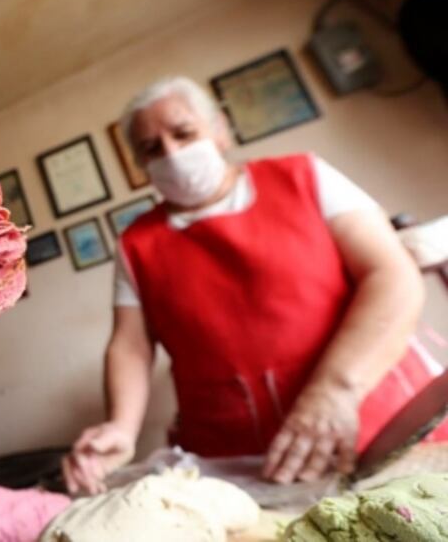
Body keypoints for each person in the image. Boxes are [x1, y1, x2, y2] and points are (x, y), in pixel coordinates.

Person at [63, 76, 447, 494]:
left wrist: (336, 391)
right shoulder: (135, 244)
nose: (171, 153)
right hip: (238, 466)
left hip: (379, 423)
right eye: (151, 149)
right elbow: (131, 346)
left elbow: (392, 275)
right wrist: (121, 426)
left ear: (221, 130)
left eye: (184, 133)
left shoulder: (303, 175)